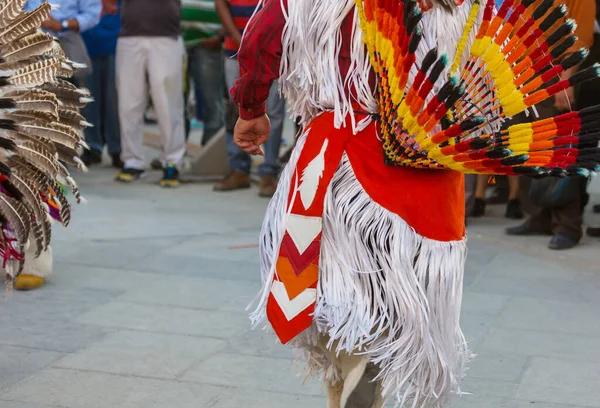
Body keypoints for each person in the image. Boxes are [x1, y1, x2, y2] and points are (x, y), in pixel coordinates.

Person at [231, 0, 600, 406]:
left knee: (342, 294)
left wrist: (251, 108)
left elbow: (263, 34)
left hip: (345, 154)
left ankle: (352, 377)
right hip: (432, 161)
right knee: (390, 302)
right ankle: (362, 374)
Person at [506, 0, 596, 250]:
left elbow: (581, 36)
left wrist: (566, 80)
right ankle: (538, 216)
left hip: (554, 74)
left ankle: (567, 226)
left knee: (557, 151)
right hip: (518, 76)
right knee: (524, 149)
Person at [213, 0, 285, 198]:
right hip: (234, 47)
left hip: (272, 49)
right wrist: (242, 40)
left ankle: (269, 171)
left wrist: (253, 41)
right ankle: (239, 169)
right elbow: (221, 4)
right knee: (235, 108)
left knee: (273, 111)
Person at [114, 0, 186, 188]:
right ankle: (132, 161)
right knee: (128, 103)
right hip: (130, 35)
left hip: (166, 36)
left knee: (168, 103)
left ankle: (172, 160)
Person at [80, 0, 123, 168]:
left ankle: (116, 149)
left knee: (114, 102)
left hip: (116, 44)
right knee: (88, 101)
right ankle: (92, 148)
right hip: (87, 44)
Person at [182, 0, 225, 145]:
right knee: (175, 102)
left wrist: (221, 36)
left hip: (210, 41)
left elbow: (233, 4)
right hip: (176, 42)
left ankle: (210, 154)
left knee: (211, 100)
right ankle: (174, 154)